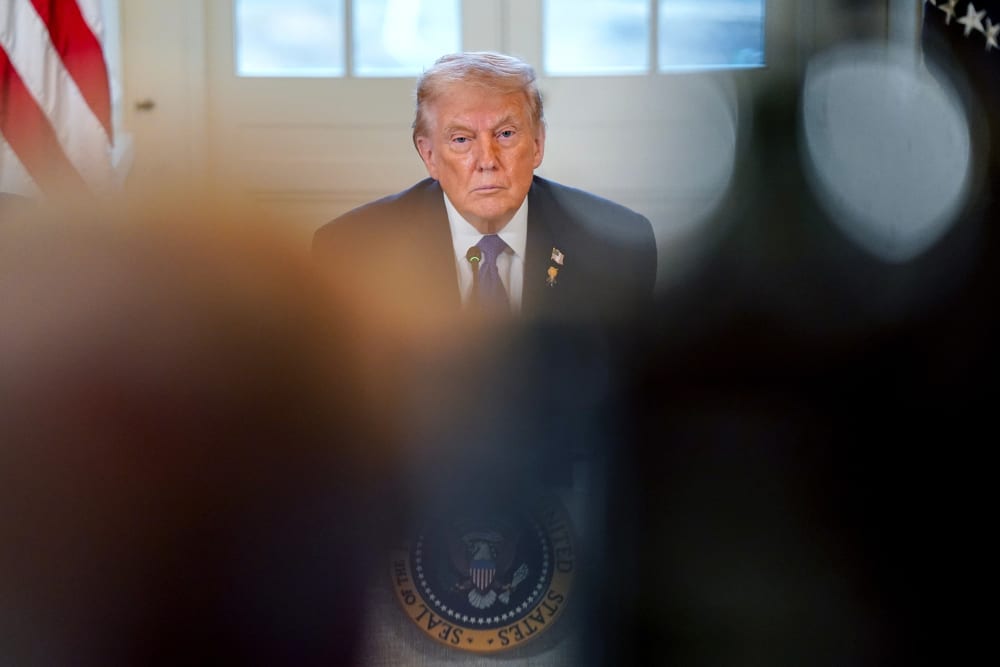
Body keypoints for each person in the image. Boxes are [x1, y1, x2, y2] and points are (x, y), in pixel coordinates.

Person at [313, 51, 657, 328]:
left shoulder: (616, 247)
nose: (487, 160)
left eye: (506, 134)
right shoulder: (353, 253)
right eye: (461, 139)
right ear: (429, 155)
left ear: (537, 144)